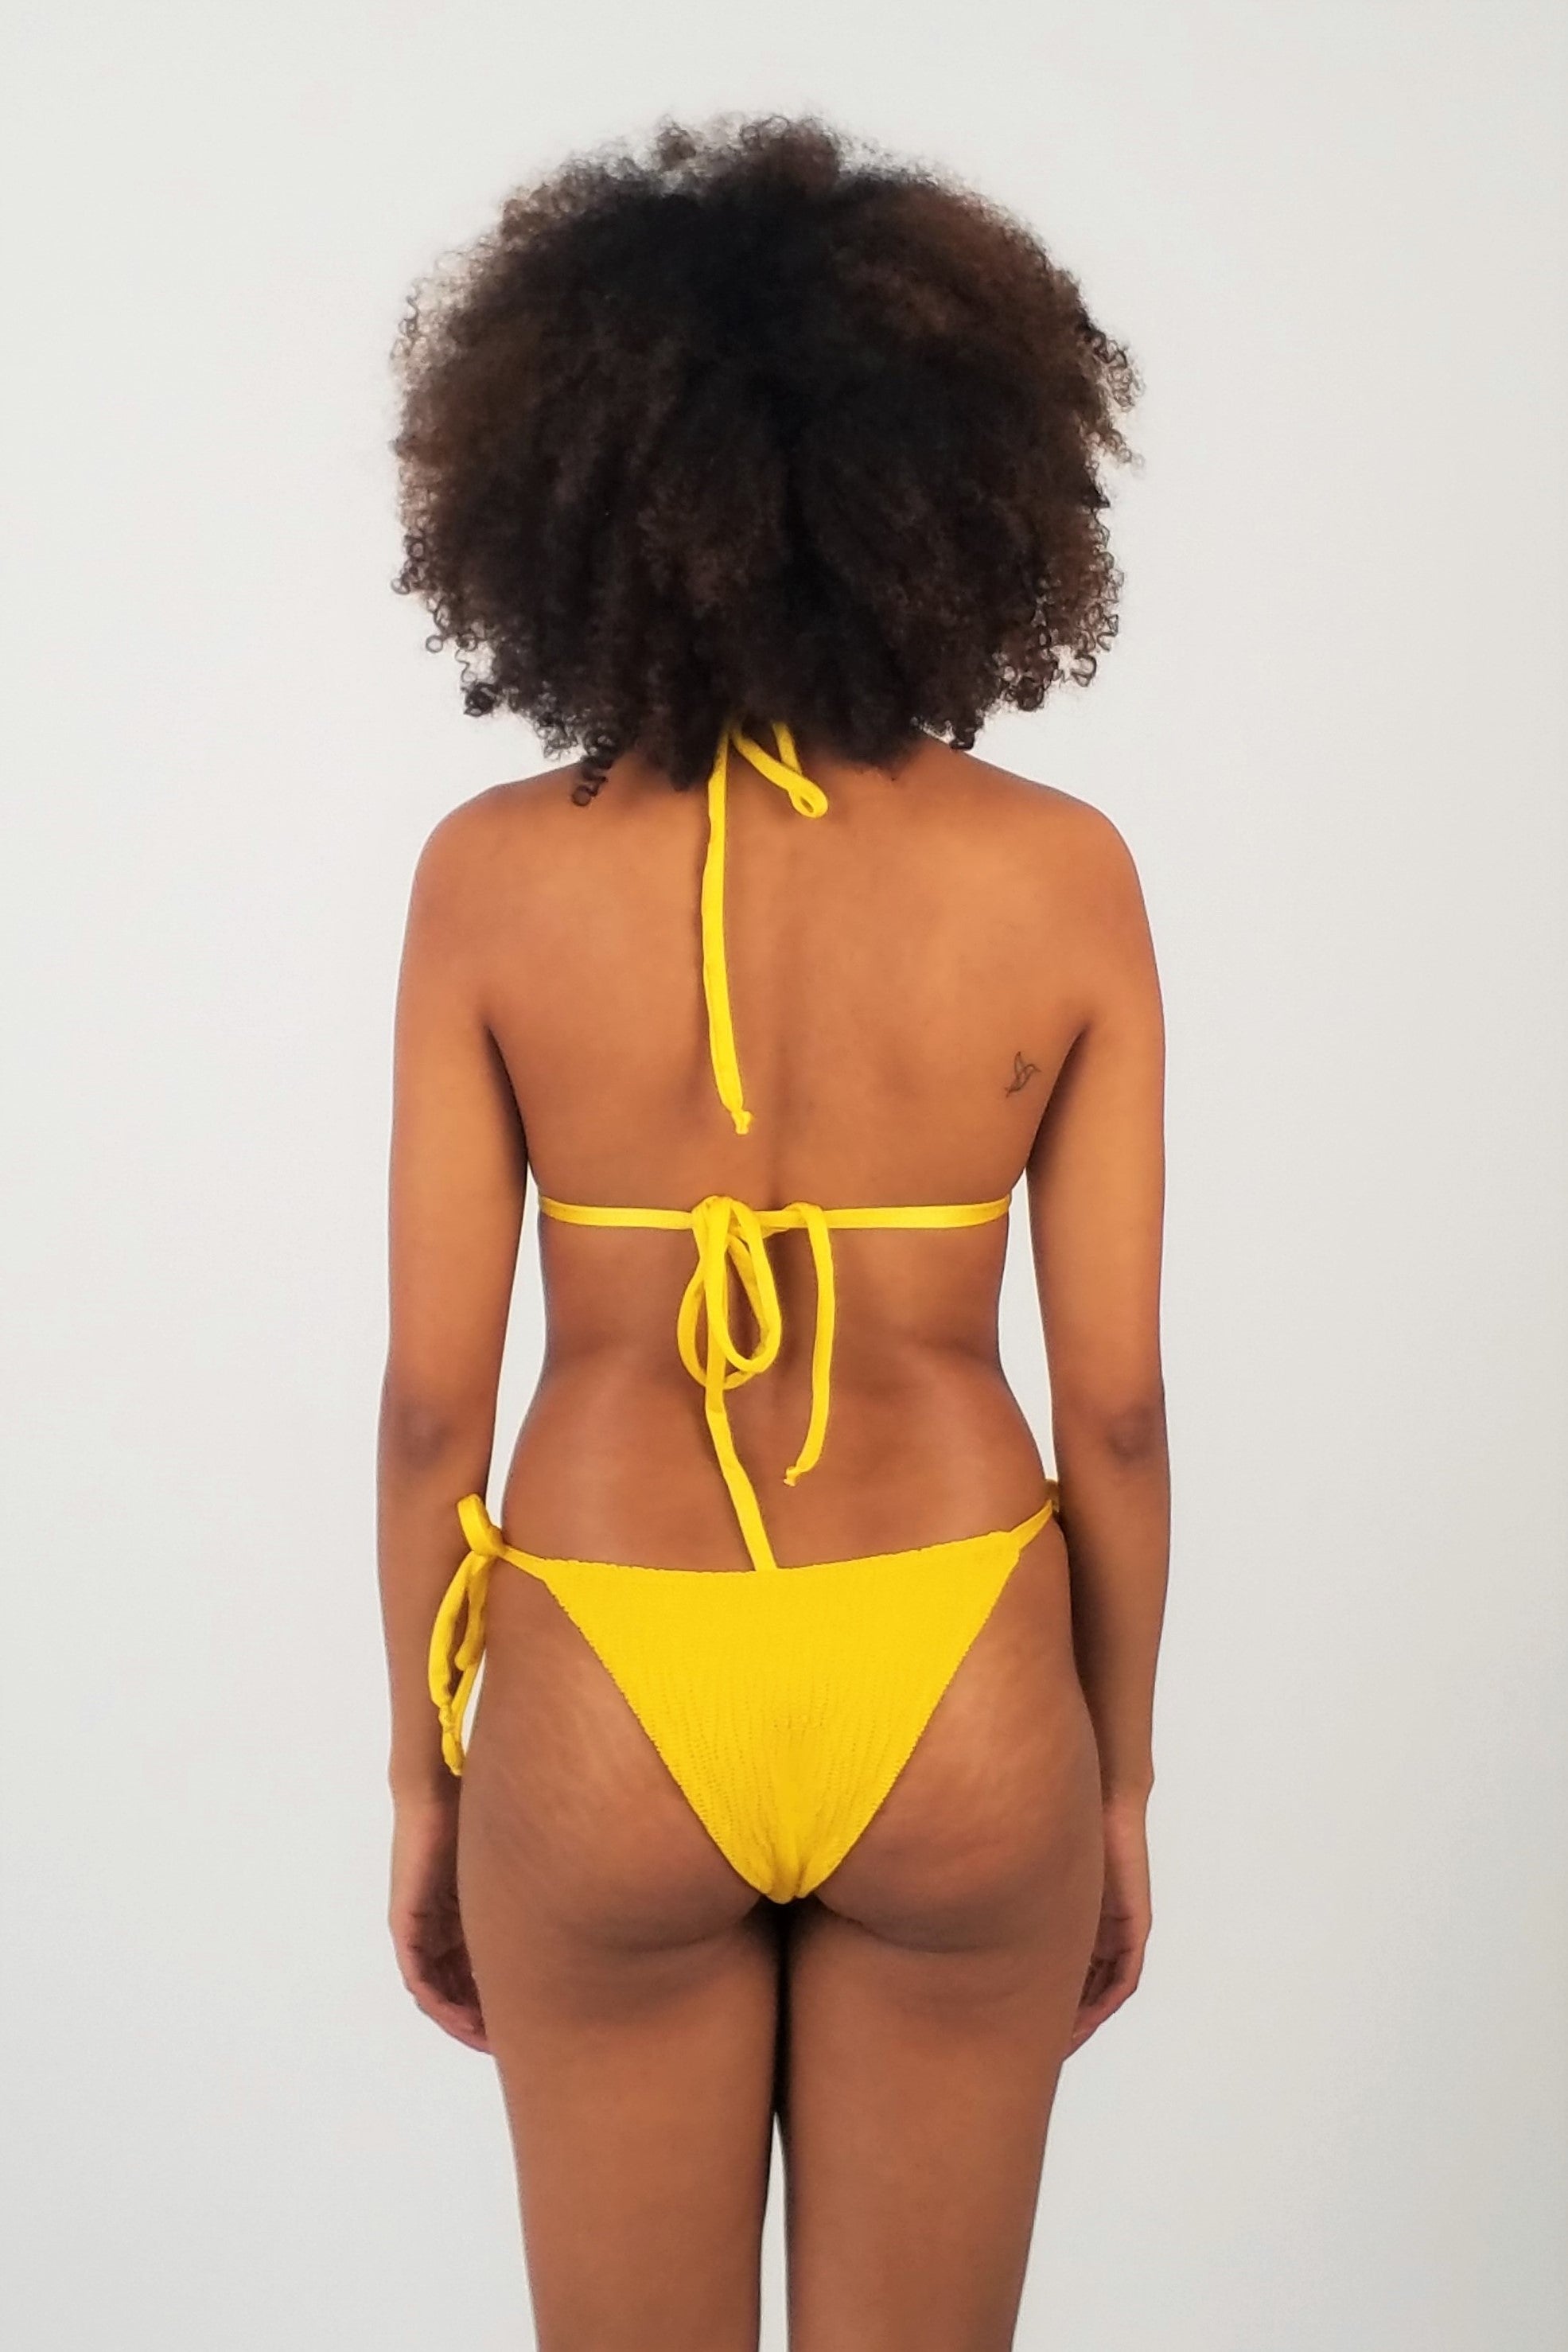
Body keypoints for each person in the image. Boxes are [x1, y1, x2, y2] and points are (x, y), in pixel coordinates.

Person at [378, 112, 1168, 2351]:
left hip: (603, 1681)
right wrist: (1113, 1781)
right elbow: (1114, 1409)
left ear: (569, 491)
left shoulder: (490, 879)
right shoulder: (1064, 875)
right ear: (963, 488)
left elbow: (431, 1405)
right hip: (961, 1680)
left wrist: (425, 1782)